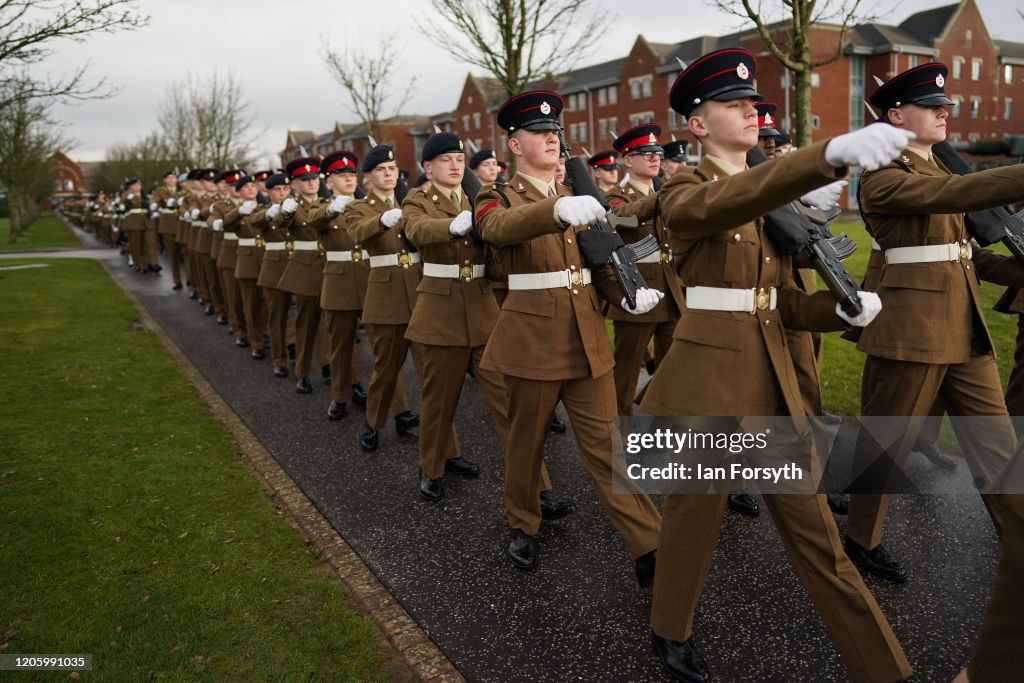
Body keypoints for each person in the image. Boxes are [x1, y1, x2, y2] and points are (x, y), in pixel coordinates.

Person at [641, 47, 914, 682]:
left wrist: (836, 312)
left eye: (752, 103)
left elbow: (781, 303)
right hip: (709, 382)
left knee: (817, 536)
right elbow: (711, 210)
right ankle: (669, 630)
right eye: (733, 105)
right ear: (697, 125)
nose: (751, 111)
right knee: (691, 521)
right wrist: (818, 157)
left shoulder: (773, 204)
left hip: (771, 384)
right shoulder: (681, 189)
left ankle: (883, 668)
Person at [474, 90, 663, 581]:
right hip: (532, 339)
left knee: (608, 447)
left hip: (586, 336)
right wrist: (554, 212)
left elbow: (596, 259)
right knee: (526, 443)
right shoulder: (496, 195)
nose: (553, 139)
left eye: (556, 132)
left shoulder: (576, 197)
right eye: (540, 133)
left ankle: (647, 544)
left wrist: (624, 295)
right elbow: (495, 229)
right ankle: (523, 522)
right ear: (514, 146)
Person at [344, 144, 422, 451]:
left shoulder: (413, 200)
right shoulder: (359, 207)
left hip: (419, 290)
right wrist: (381, 220)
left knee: (430, 371)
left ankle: (427, 432)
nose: (388, 174)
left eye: (392, 169)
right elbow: (357, 232)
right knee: (386, 369)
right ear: (368, 177)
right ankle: (373, 422)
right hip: (386, 294)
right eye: (381, 170)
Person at [602, 124, 683, 419]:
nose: (654, 159)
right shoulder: (615, 195)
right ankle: (616, 427)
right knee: (625, 370)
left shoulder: (663, 191)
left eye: (657, 154)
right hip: (636, 289)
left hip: (670, 290)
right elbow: (622, 216)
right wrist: (664, 199)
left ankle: (662, 418)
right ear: (628, 160)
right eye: (646, 153)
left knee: (675, 365)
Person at [307, 150, 369, 420]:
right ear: (329, 182)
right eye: (341, 176)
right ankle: (341, 394)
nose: (348, 179)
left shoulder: (367, 204)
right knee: (342, 343)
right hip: (340, 281)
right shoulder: (323, 208)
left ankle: (391, 402)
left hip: (369, 278)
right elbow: (312, 220)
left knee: (382, 345)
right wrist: (332, 208)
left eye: (351, 175)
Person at [274, 157, 331, 393]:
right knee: (306, 325)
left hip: (329, 267)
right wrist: (285, 212)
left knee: (331, 325)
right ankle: (303, 371)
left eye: (314, 178)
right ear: (295, 183)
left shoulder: (327, 202)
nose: (311, 183)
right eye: (305, 180)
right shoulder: (291, 206)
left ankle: (328, 363)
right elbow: (279, 223)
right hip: (306, 270)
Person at [255, 172, 296, 378]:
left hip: (297, 265)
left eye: (286, 189)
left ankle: (296, 347)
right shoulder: (263, 210)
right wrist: (270, 213)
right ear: (268, 191)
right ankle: (279, 359)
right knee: (277, 316)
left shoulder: (296, 208)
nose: (282, 193)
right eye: (277, 190)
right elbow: (255, 221)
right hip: (274, 268)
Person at [150, 170, 183, 289]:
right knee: (172, 254)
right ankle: (177, 280)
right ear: (164, 180)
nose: (171, 180)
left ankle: (190, 279)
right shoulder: (160, 191)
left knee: (185, 254)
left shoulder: (182, 191)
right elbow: (154, 199)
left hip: (181, 223)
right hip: (168, 224)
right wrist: (153, 204)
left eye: (173, 177)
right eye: (168, 178)